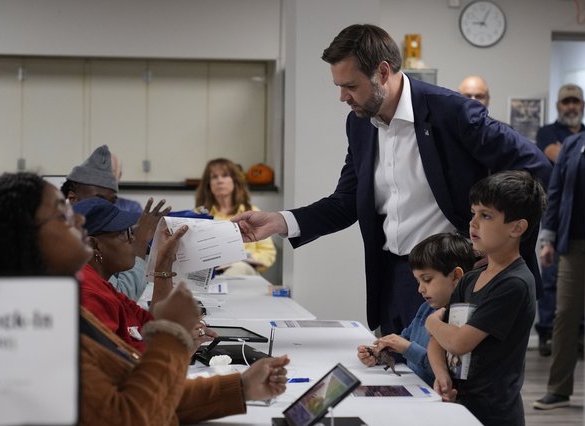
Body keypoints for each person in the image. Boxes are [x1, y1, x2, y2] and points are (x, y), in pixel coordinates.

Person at [232, 24, 552, 336]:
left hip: (455, 275)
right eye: (339, 86)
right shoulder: (359, 125)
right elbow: (346, 202)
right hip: (394, 277)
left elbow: (535, 166)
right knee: (396, 378)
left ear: (383, 72)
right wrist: (278, 221)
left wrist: (499, 242)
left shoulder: (452, 111)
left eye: (351, 86)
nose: (343, 97)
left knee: (452, 385)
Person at [0, 172, 290, 425]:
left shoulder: (56, 312)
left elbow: (138, 392)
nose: (78, 219)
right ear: (24, 237)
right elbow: (133, 416)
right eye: (62, 214)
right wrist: (172, 334)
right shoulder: (29, 333)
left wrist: (240, 387)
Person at [425, 170, 547, 426]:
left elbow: (458, 342)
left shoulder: (514, 284)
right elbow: (437, 342)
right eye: (473, 213)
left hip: (494, 414)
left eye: (486, 215)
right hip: (459, 404)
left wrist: (432, 322)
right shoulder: (470, 279)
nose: (473, 223)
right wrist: (441, 375)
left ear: (517, 227)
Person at [73, 197, 197, 353]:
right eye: (123, 233)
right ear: (94, 245)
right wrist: (177, 347)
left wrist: (164, 262)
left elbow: (151, 324)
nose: (133, 238)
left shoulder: (102, 284)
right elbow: (118, 366)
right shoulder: (90, 295)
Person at [533, 93, 585, 411]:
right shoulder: (575, 144)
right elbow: (554, 192)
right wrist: (548, 239)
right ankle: (559, 388)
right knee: (565, 315)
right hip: (575, 243)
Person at [356, 233, 476, 386]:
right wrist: (380, 353)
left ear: (455, 276)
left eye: (427, 280)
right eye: (418, 281)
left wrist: (407, 348)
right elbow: (405, 342)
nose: (420, 289)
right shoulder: (426, 308)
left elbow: (449, 374)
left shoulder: (463, 319)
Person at [62, 144, 170, 301]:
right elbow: (120, 296)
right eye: (99, 199)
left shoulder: (102, 230)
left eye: (112, 202)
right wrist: (140, 241)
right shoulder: (69, 243)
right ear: (72, 199)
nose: (107, 208)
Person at [194, 158, 276, 275]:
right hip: (209, 272)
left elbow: (268, 252)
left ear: (235, 181)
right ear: (208, 184)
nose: (220, 180)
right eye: (214, 177)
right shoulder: (198, 215)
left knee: (237, 268)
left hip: (243, 271)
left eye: (225, 175)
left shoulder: (252, 212)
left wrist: (248, 259)